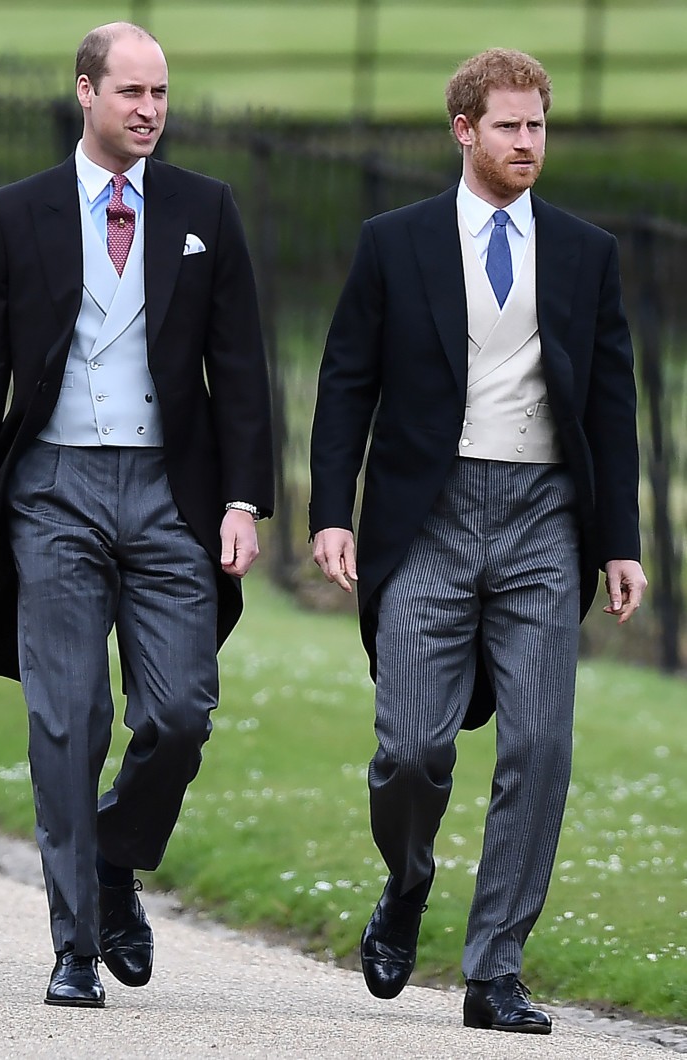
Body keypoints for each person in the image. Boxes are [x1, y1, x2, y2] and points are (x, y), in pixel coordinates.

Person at [309, 48, 646, 1035]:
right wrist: (331, 511)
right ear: (464, 130)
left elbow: (612, 401)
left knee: (538, 744)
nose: (526, 141)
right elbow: (344, 382)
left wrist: (619, 540)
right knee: (411, 750)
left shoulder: (585, 252)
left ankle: (494, 968)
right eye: (508, 125)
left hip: (544, 518)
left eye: (537, 125)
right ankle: (407, 880)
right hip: (428, 518)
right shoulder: (394, 242)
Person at [0, 22, 273, 1008]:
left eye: (160, 93)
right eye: (131, 91)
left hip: (172, 493)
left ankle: (115, 852)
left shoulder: (205, 208)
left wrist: (244, 499)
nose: (149, 110)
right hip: (53, 491)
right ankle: (74, 947)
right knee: (68, 716)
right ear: (85, 92)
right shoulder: (16, 214)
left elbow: (241, 368)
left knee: (179, 713)